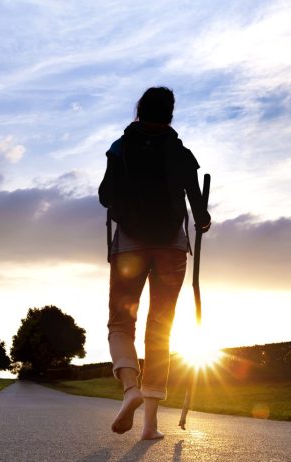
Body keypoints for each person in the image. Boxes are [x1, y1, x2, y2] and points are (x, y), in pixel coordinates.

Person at [98, 86, 211, 440]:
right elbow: (199, 211)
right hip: (172, 248)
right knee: (159, 327)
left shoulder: (120, 148)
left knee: (121, 322)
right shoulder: (181, 152)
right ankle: (150, 425)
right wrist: (203, 220)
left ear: (139, 110)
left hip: (129, 245)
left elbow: (104, 196)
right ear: (170, 115)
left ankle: (130, 387)